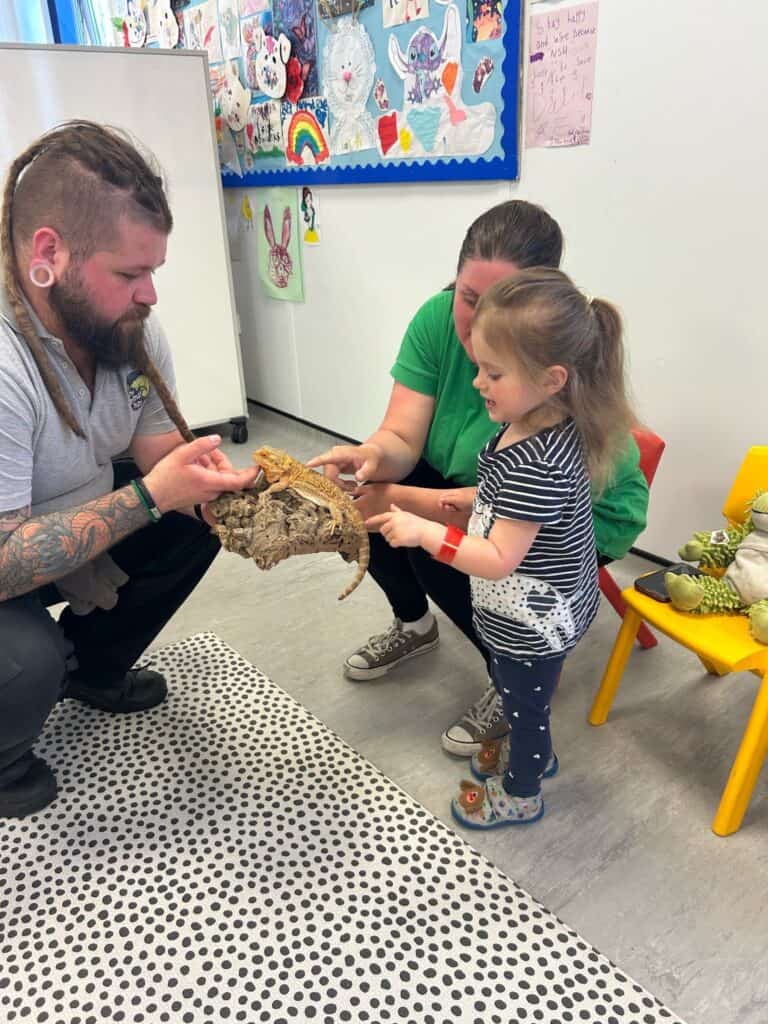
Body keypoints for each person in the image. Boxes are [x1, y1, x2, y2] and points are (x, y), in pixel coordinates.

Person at [308, 201, 648, 756]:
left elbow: (505, 526)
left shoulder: (547, 398)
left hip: (571, 515)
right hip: (496, 490)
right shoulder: (441, 322)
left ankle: (512, 675)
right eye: (467, 298)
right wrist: (372, 459)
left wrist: (412, 510)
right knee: (367, 508)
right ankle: (415, 626)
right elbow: (405, 439)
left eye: (493, 305)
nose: (473, 323)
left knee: (431, 546)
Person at [0, 121, 260, 818]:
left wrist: (234, 497)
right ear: (48, 253)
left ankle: (93, 668)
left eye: (153, 272)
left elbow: (159, 453)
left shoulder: (123, 328)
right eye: (129, 274)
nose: (150, 295)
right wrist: (145, 500)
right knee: (26, 658)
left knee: (197, 520)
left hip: (50, 520)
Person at [369, 267, 634, 827]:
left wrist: (425, 533)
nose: (477, 382)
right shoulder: (536, 425)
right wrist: (465, 500)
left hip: (532, 622)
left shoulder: (537, 458)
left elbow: (498, 558)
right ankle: (532, 758)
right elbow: (509, 501)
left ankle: (523, 789)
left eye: (493, 372)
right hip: (541, 603)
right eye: (479, 368)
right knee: (523, 701)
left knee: (525, 710)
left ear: (552, 378)